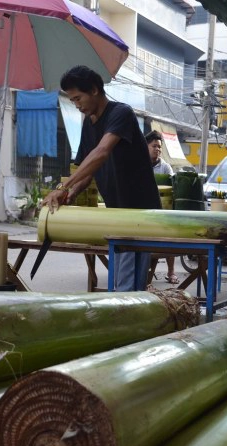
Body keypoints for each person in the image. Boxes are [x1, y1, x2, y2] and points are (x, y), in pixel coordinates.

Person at [42, 66, 161, 291]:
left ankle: (126, 320)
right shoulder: (89, 123)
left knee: (127, 286)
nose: (77, 105)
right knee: (119, 282)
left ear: (94, 90)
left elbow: (101, 153)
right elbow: (87, 170)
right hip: (116, 212)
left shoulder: (120, 113)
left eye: (78, 98)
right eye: (72, 100)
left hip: (138, 212)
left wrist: (62, 185)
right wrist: (71, 193)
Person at [145, 130, 178, 284]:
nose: (157, 149)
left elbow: (172, 187)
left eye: (159, 147)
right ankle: (144, 274)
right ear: (146, 147)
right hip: (145, 209)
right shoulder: (140, 164)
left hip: (163, 210)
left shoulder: (165, 167)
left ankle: (171, 272)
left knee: (168, 239)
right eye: (154, 146)